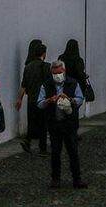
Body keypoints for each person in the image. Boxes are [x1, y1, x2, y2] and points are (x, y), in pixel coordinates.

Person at [37, 60, 86, 189]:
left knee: (73, 151)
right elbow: (40, 103)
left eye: (59, 73)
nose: (57, 75)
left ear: (64, 71)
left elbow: (80, 99)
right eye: (54, 73)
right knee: (55, 152)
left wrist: (70, 99)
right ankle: (55, 178)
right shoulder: (46, 85)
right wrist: (49, 100)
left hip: (70, 123)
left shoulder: (73, 83)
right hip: (54, 123)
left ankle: (77, 178)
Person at [16, 44, 50, 154]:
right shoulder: (46, 66)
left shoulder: (28, 67)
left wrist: (19, 99)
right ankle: (42, 148)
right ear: (44, 53)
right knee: (43, 123)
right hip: (43, 99)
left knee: (32, 122)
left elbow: (23, 85)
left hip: (31, 99)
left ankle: (28, 140)